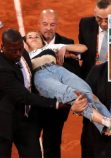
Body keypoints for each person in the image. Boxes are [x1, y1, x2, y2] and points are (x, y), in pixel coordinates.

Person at [0, 29, 86, 157]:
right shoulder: (0, 70)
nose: (18, 53)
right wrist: (57, 103)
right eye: (13, 50)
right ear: (3, 47)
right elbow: (24, 96)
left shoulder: (23, 53)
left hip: (24, 117)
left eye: (20, 48)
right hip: (2, 122)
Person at [24, 31, 111, 140]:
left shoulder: (50, 47)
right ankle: (110, 122)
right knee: (73, 95)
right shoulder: (23, 54)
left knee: (87, 92)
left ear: (42, 41)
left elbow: (82, 48)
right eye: (29, 37)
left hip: (58, 70)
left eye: (37, 36)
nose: (33, 38)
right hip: (41, 76)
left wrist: (64, 48)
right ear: (25, 42)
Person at [37, 8, 81, 158]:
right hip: (34, 104)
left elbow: (75, 73)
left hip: (57, 106)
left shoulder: (67, 44)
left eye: (52, 24)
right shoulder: (29, 42)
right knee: (30, 144)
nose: (48, 28)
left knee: (52, 145)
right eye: (45, 24)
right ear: (39, 24)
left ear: (57, 25)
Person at [78, 0, 111, 79]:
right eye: (99, 19)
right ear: (95, 14)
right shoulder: (85, 24)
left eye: (107, 19)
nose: (103, 23)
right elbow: (82, 49)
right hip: (91, 74)